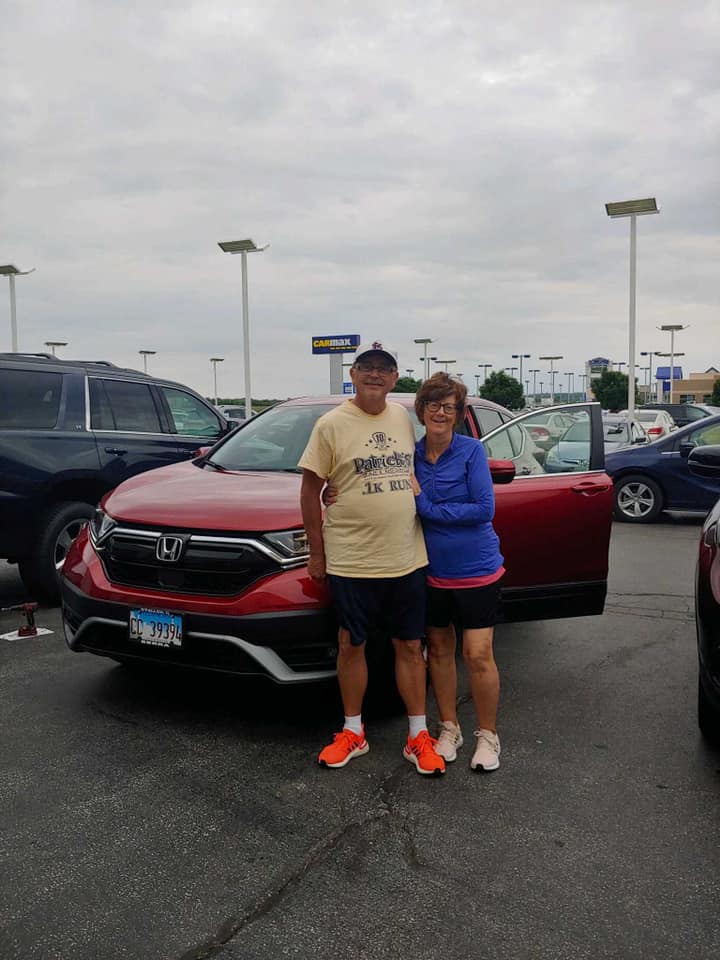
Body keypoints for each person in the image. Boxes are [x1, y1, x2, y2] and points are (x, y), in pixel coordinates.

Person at [299, 342, 445, 776]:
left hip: (406, 556)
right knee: (351, 644)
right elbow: (310, 491)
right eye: (367, 367)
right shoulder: (330, 424)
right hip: (351, 558)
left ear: (395, 378)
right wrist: (316, 553)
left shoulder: (402, 417)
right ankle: (352, 731)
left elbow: (421, 466)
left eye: (384, 369)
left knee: (410, 645)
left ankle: (418, 735)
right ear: (354, 374)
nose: (375, 374)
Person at [412, 372, 505, 771]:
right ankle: (449, 728)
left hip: (477, 570)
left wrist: (427, 507)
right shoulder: (411, 455)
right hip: (431, 571)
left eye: (449, 407)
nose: (441, 413)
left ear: (459, 413)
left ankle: (488, 735)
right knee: (439, 651)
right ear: (421, 410)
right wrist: (333, 491)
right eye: (434, 405)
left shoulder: (471, 452)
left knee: (477, 653)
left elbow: (484, 509)